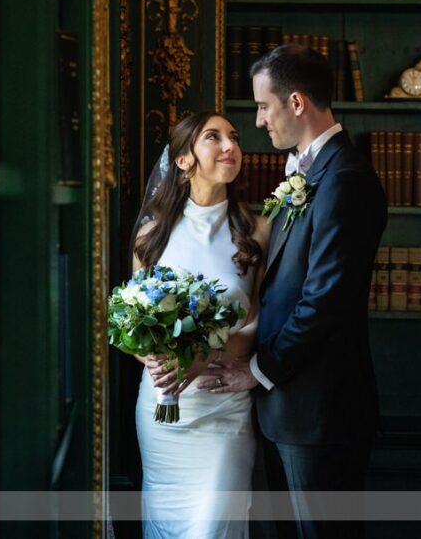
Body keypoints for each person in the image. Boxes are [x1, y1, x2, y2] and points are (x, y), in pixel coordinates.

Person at [204, 44, 387, 539]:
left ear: (298, 103)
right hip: (287, 410)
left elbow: (324, 301)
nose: (260, 120)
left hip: (319, 413)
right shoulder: (307, 174)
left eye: (264, 106)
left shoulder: (345, 180)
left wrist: (258, 371)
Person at [131, 110, 270, 538]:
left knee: (213, 528)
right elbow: (132, 324)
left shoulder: (257, 231)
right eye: (214, 137)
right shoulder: (150, 235)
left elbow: (261, 323)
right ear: (183, 159)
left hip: (223, 407)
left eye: (234, 137)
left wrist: (202, 356)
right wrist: (151, 360)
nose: (231, 147)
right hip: (163, 411)